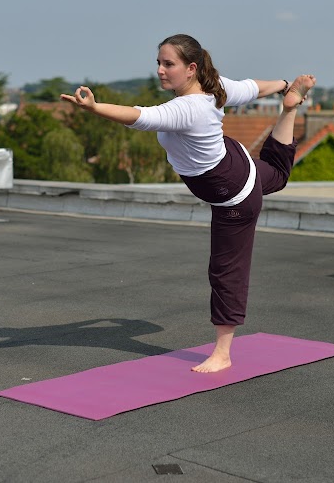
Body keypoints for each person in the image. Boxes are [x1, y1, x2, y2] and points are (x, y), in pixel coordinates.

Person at [61, 34, 315, 373]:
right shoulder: (214, 88)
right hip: (236, 163)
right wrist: (285, 85)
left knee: (226, 270)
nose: (160, 71)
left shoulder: (188, 108)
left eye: (169, 64)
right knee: (278, 176)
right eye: (158, 63)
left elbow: (138, 116)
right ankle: (291, 108)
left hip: (233, 195)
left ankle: (222, 353)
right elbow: (252, 88)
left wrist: (94, 107)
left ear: (191, 68)